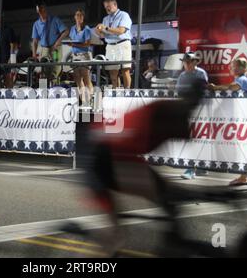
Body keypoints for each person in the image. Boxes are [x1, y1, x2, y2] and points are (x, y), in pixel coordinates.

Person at [78, 77, 207, 255]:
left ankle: (172, 245)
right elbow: (133, 164)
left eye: (196, 102)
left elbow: (146, 166)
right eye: (192, 100)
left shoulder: (179, 121)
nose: (193, 106)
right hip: (99, 155)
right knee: (117, 235)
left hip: (118, 153)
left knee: (168, 200)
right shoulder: (163, 111)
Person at [207, 57, 247, 186]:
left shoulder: (243, 80)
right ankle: (244, 176)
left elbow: (232, 87)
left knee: (244, 147)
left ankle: (244, 177)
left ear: (243, 68)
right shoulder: (240, 79)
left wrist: (215, 88)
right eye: (232, 66)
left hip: (244, 119)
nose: (233, 68)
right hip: (239, 118)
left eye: (236, 66)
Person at [176, 52, 209, 180]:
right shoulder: (182, 75)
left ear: (195, 62)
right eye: (185, 62)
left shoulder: (201, 73)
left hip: (201, 110)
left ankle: (195, 167)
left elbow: (203, 90)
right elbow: (179, 91)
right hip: (188, 110)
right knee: (192, 140)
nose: (187, 64)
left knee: (199, 139)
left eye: (189, 62)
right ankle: (193, 167)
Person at [94, 0, 133, 89]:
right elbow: (103, 36)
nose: (107, 8)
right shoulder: (105, 19)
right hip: (110, 46)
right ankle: (115, 93)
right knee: (112, 72)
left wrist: (106, 28)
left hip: (123, 44)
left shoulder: (124, 15)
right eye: (105, 7)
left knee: (125, 70)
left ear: (115, 5)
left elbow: (121, 31)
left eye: (109, 6)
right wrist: (98, 31)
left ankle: (127, 93)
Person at [31, 3, 69, 86]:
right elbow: (35, 41)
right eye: (39, 10)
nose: (41, 12)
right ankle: (45, 92)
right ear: (37, 11)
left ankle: (55, 90)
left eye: (42, 9)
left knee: (55, 69)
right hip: (44, 49)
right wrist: (34, 54)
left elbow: (66, 31)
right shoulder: (36, 24)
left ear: (45, 9)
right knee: (44, 71)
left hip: (55, 48)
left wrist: (58, 41)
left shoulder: (54, 20)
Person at [67, 9, 94, 106]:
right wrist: (70, 43)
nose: (79, 17)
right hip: (75, 56)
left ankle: (90, 100)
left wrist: (74, 44)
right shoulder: (72, 28)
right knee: (78, 79)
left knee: (86, 79)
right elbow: (71, 40)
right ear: (74, 17)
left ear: (83, 17)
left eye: (81, 15)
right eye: (77, 15)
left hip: (84, 55)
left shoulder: (86, 29)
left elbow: (87, 44)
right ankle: (84, 101)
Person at [0, 11, 18, 88]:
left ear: (1, 18)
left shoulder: (8, 30)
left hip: (5, 58)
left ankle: (9, 96)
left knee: (8, 80)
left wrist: (11, 58)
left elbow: (13, 44)